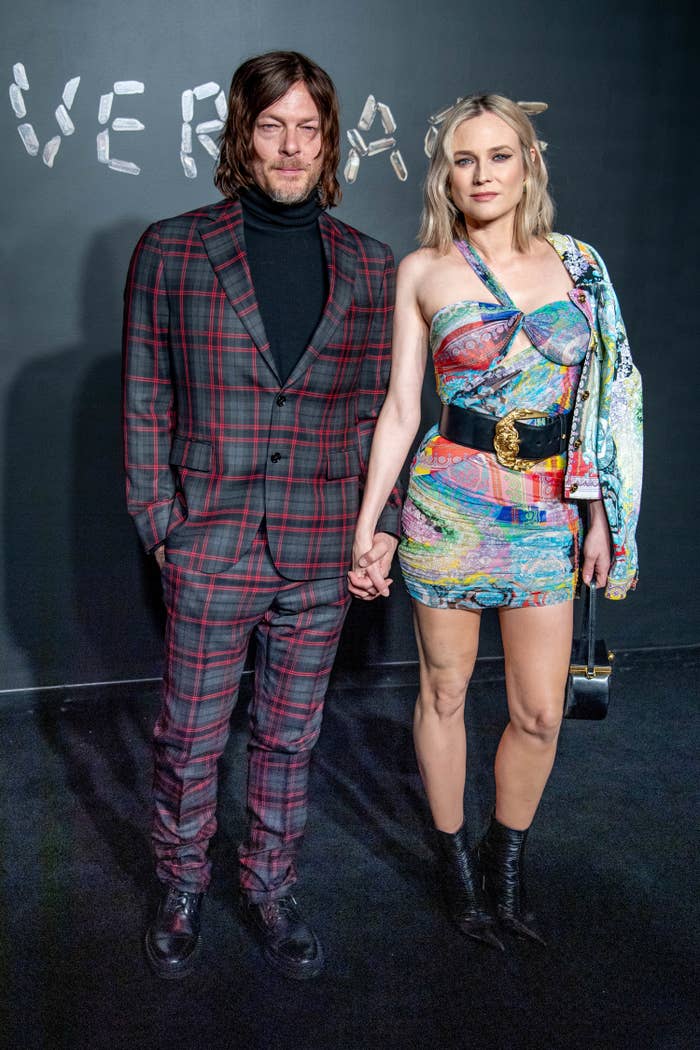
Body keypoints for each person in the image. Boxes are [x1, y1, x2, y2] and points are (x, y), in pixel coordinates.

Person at [123, 50, 400, 980]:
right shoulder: (172, 248)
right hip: (211, 542)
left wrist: (381, 527)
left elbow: (379, 415)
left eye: (307, 129)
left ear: (329, 144)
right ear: (243, 135)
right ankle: (182, 880)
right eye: (271, 126)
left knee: (291, 734)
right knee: (191, 734)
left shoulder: (370, 264)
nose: (290, 146)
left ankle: (271, 883)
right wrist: (164, 525)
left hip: (323, 548)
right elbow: (144, 399)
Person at [350, 94, 642, 947]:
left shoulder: (579, 265)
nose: (483, 175)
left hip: (548, 508)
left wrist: (600, 518)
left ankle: (506, 853)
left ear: (529, 164)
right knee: (443, 690)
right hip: (447, 506)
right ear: (447, 171)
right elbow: (403, 410)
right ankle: (454, 860)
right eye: (466, 159)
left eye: (500, 156)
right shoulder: (424, 269)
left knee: (539, 712)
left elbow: (605, 399)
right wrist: (372, 523)